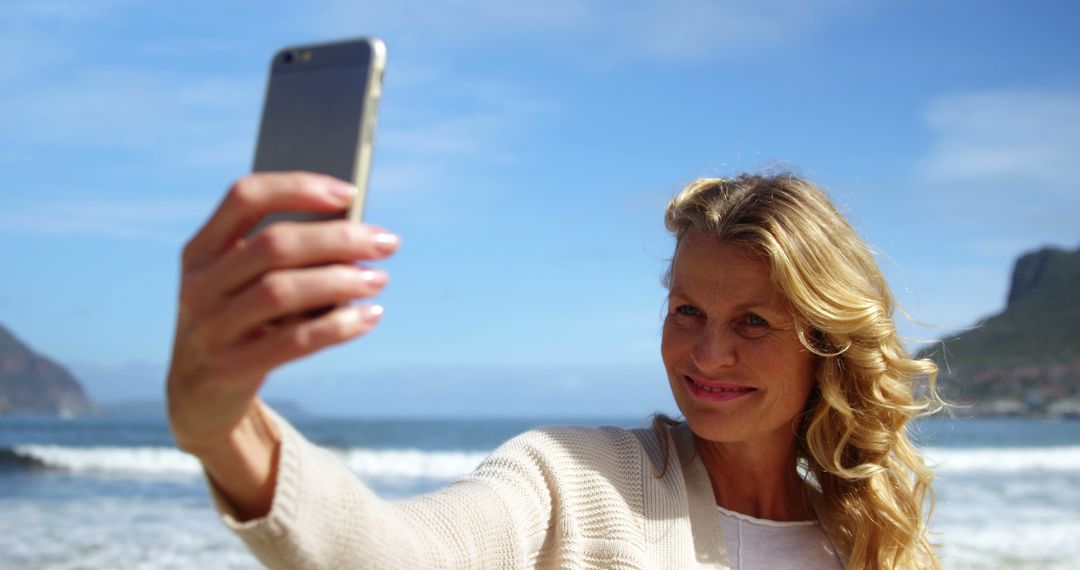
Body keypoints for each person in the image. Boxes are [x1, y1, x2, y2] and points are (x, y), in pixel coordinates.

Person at [167, 171, 943, 569]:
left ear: (826, 342)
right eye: (685, 312)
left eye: (752, 322)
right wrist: (228, 433)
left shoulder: (869, 545)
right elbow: (404, 556)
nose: (707, 356)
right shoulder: (574, 481)